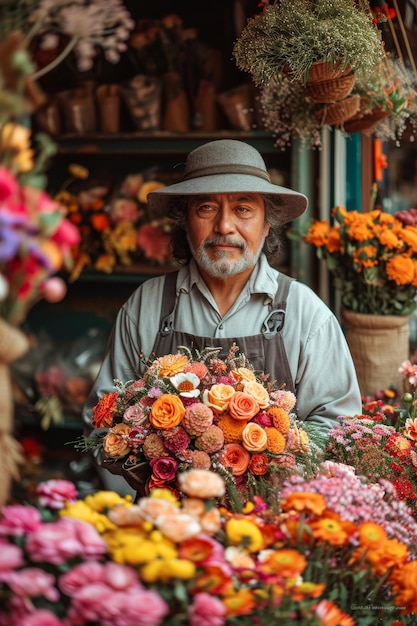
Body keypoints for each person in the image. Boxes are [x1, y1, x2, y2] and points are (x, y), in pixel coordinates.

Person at [83, 139, 362, 494]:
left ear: (266, 224)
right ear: (185, 222)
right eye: (206, 208)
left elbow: (338, 429)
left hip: (270, 527)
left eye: (243, 209)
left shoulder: (305, 313)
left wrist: (272, 481)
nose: (224, 226)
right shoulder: (148, 304)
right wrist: (143, 507)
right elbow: (103, 421)